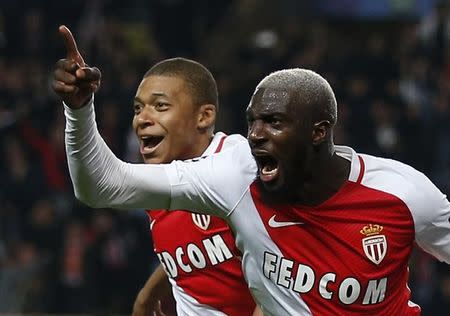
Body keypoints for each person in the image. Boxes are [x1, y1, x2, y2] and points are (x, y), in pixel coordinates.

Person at [54, 25, 450, 315]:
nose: (257, 135)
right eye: (252, 122)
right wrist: (78, 110)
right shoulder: (234, 178)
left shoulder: (403, 193)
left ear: (319, 131)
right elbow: (102, 187)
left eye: (274, 123)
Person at [53, 27, 258, 316]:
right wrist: (148, 296)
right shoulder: (165, 178)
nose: (142, 120)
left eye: (160, 106)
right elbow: (199, 247)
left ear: (204, 116)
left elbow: (282, 265)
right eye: (138, 109)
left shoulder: (242, 166)